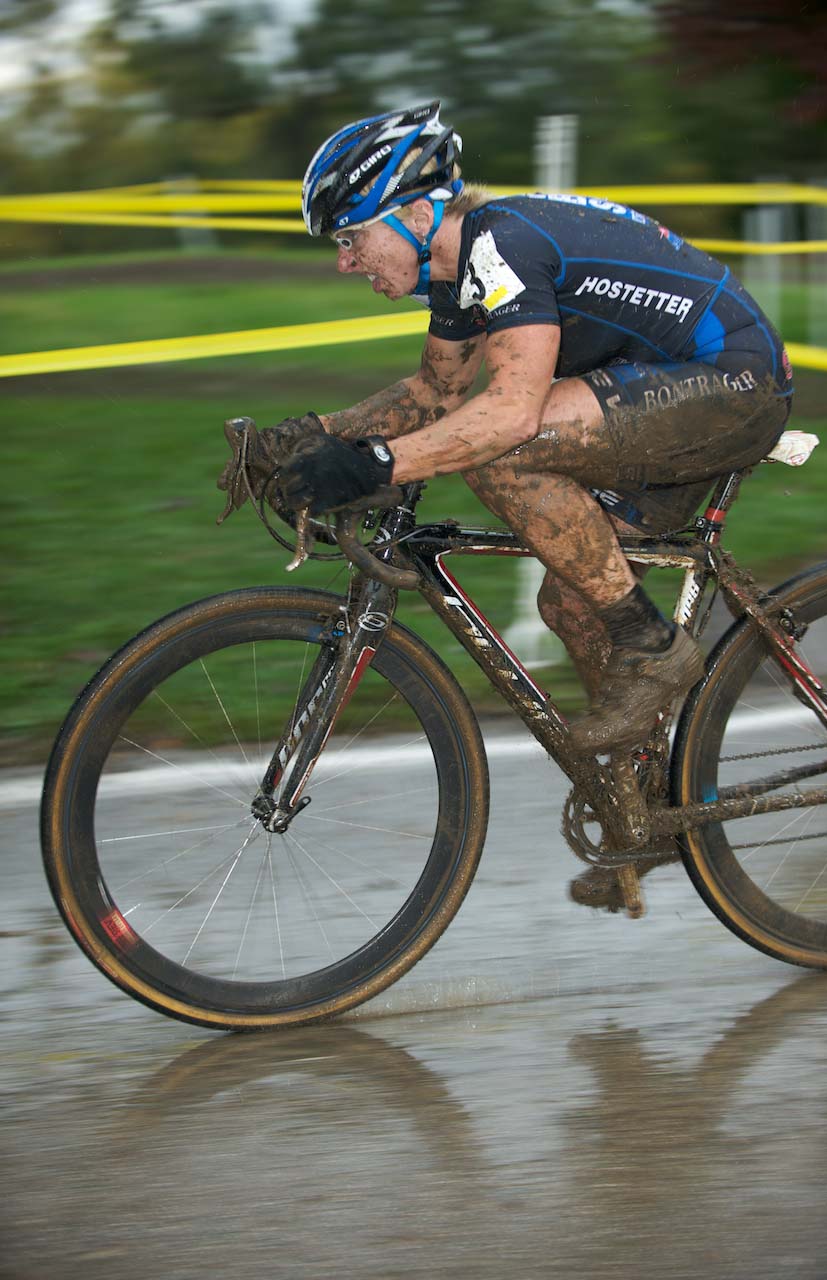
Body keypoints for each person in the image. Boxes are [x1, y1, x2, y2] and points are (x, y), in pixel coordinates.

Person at [218, 102, 794, 908]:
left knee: (504, 448)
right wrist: (308, 439)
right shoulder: (461, 271)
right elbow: (434, 391)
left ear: (418, 214)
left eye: (352, 237)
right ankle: (646, 809)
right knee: (569, 595)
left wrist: (373, 464)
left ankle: (656, 651)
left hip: (733, 383)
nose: (346, 262)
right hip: (659, 393)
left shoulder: (500, 243)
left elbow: (509, 416)